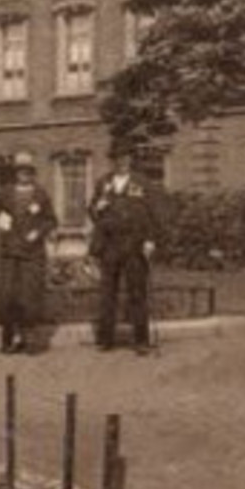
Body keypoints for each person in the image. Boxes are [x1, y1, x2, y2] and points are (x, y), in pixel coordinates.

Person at [0, 151, 59, 354]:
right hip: (9, 253)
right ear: (15, 173)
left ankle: (30, 342)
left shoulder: (40, 194)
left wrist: (39, 232)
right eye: (20, 171)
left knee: (29, 297)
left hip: (32, 254)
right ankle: (8, 340)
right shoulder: (5, 193)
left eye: (27, 172)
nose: (24, 175)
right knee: (8, 297)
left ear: (32, 174)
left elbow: (51, 220)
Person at [89, 142, 159, 354]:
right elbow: (92, 211)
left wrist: (150, 240)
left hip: (134, 245)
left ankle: (141, 341)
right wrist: (96, 208)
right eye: (117, 158)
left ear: (130, 160)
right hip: (109, 245)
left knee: (137, 292)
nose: (122, 162)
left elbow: (152, 214)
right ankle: (106, 339)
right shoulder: (104, 183)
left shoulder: (142, 183)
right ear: (113, 161)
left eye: (125, 157)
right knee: (107, 293)